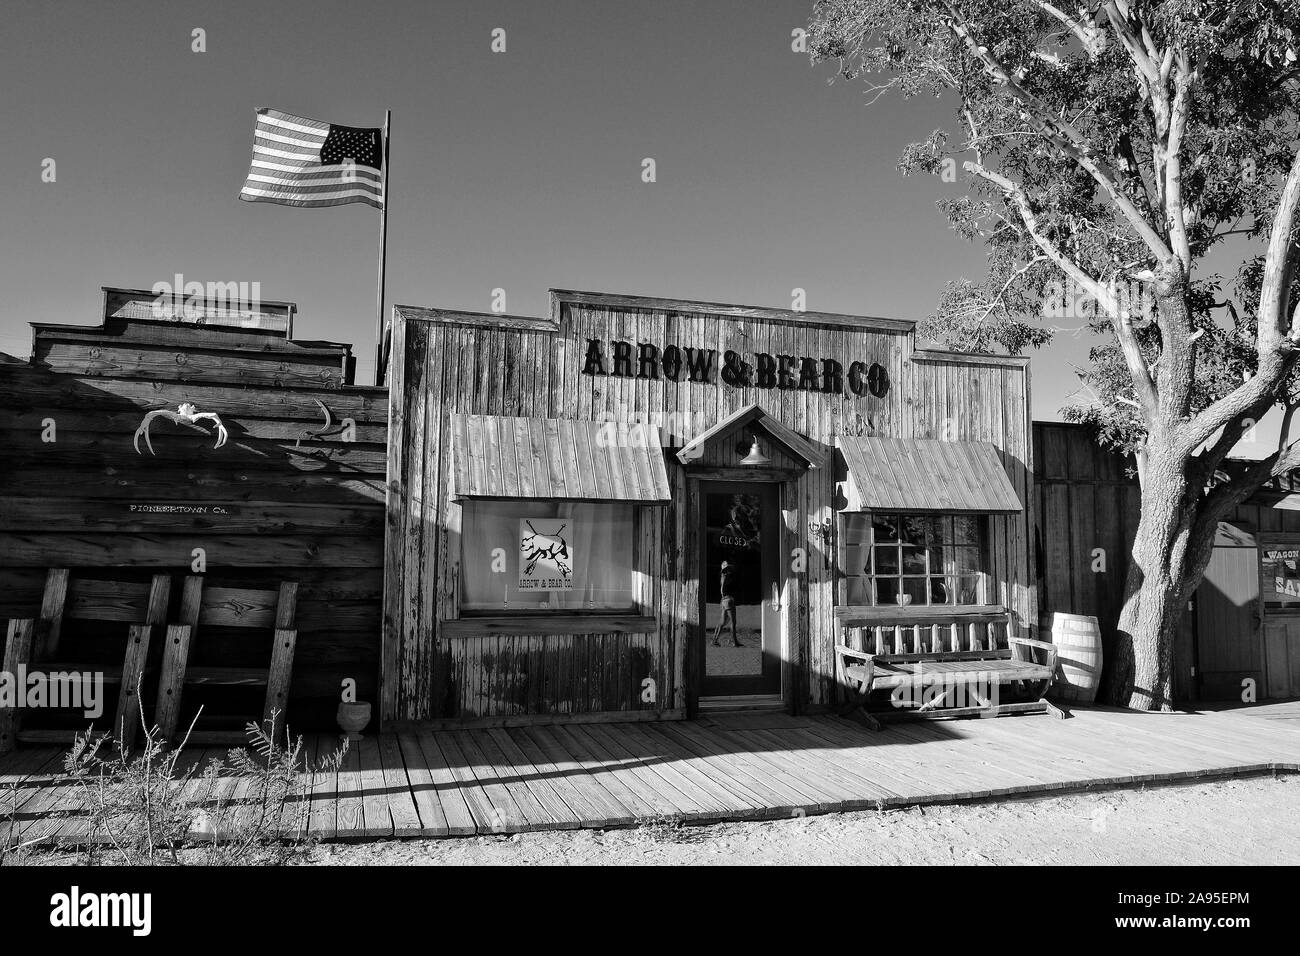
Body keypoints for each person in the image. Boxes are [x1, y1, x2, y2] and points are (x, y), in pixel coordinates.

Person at [711, 560, 741, 647]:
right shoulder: (725, 576)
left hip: (725, 601)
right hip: (728, 600)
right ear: (725, 569)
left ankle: (714, 640)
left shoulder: (724, 575)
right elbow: (722, 588)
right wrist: (724, 595)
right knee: (733, 622)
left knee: (722, 622)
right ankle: (735, 642)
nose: (729, 569)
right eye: (728, 568)